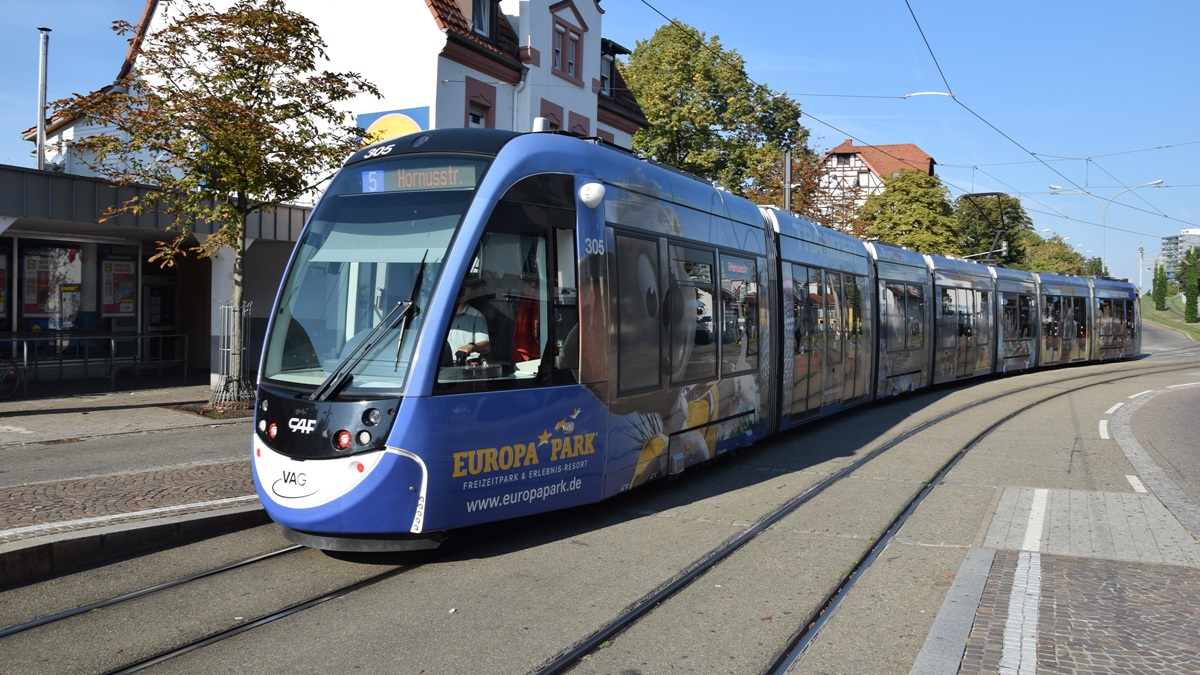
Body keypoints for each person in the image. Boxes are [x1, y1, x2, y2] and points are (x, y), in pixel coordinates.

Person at [449, 281, 491, 364]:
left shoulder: (476, 316)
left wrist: (471, 346)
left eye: (462, 290)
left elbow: (485, 345)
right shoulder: (441, 315)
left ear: (469, 291)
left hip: (464, 365)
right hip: (440, 365)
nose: (459, 293)